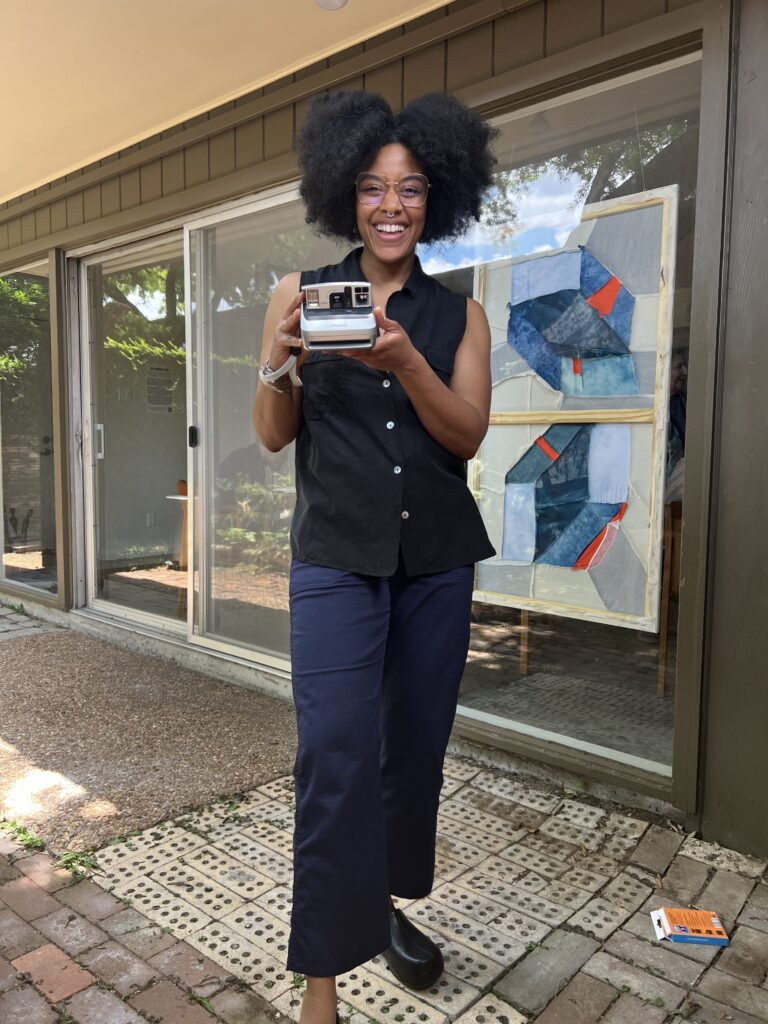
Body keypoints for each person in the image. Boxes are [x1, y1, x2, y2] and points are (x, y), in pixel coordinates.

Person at [252, 89, 497, 1024]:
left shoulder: (460, 316)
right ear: (344, 197)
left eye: (411, 188)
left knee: (410, 755)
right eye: (371, 187)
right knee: (336, 756)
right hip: (336, 564)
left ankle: (385, 908)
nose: (391, 205)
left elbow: (465, 436)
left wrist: (406, 363)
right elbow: (274, 435)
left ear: (436, 200)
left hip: (434, 564)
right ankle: (322, 983)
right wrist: (281, 362)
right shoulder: (298, 294)